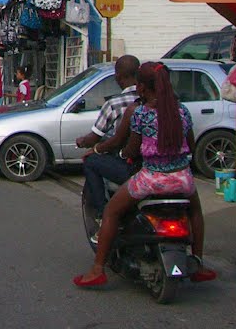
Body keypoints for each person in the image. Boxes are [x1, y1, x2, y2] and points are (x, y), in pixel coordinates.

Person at [74, 62, 217, 287]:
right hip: (182, 179)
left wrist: (121, 152)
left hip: (151, 179)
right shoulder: (182, 111)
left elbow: (131, 149)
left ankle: (97, 268)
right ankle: (198, 262)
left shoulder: (141, 113)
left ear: (141, 88)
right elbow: (189, 144)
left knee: (111, 212)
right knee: (196, 212)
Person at [74, 54, 141, 229]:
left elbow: (117, 142)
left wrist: (88, 145)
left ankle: (103, 213)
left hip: (135, 167)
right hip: (171, 171)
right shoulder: (174, 108)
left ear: (119, 77)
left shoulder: (120, 105)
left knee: (91, 162)